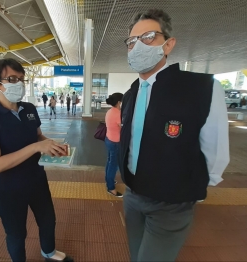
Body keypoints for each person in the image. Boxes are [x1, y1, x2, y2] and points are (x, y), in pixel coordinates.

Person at [119, 9, 229, 262]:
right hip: (133, 196)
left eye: (148, 37)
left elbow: (215, 148)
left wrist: (190, 188)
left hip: (172, 202)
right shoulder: (131, 94)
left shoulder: (202, 88)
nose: (137, 46)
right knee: (136, 256)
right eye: (132, 41)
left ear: (168, 44)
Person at [0, 58, 73, 262]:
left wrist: (51, 145)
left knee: (48, 221)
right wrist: (36, 147)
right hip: (9, 188)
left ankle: (49, 253)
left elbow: (37, 137)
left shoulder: (29, 109)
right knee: (17, 233)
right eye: (12, 79)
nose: (18, 84)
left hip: (36, 179)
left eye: (21, 79)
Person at [105, 93, 124, 197]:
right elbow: (123, 129)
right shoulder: (118, 114)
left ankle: (108, 180)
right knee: (113, 165)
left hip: (108, 139)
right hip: (115, 142)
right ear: (118, 102)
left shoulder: (110, 111)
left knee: (109, 162)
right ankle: (111, 188)